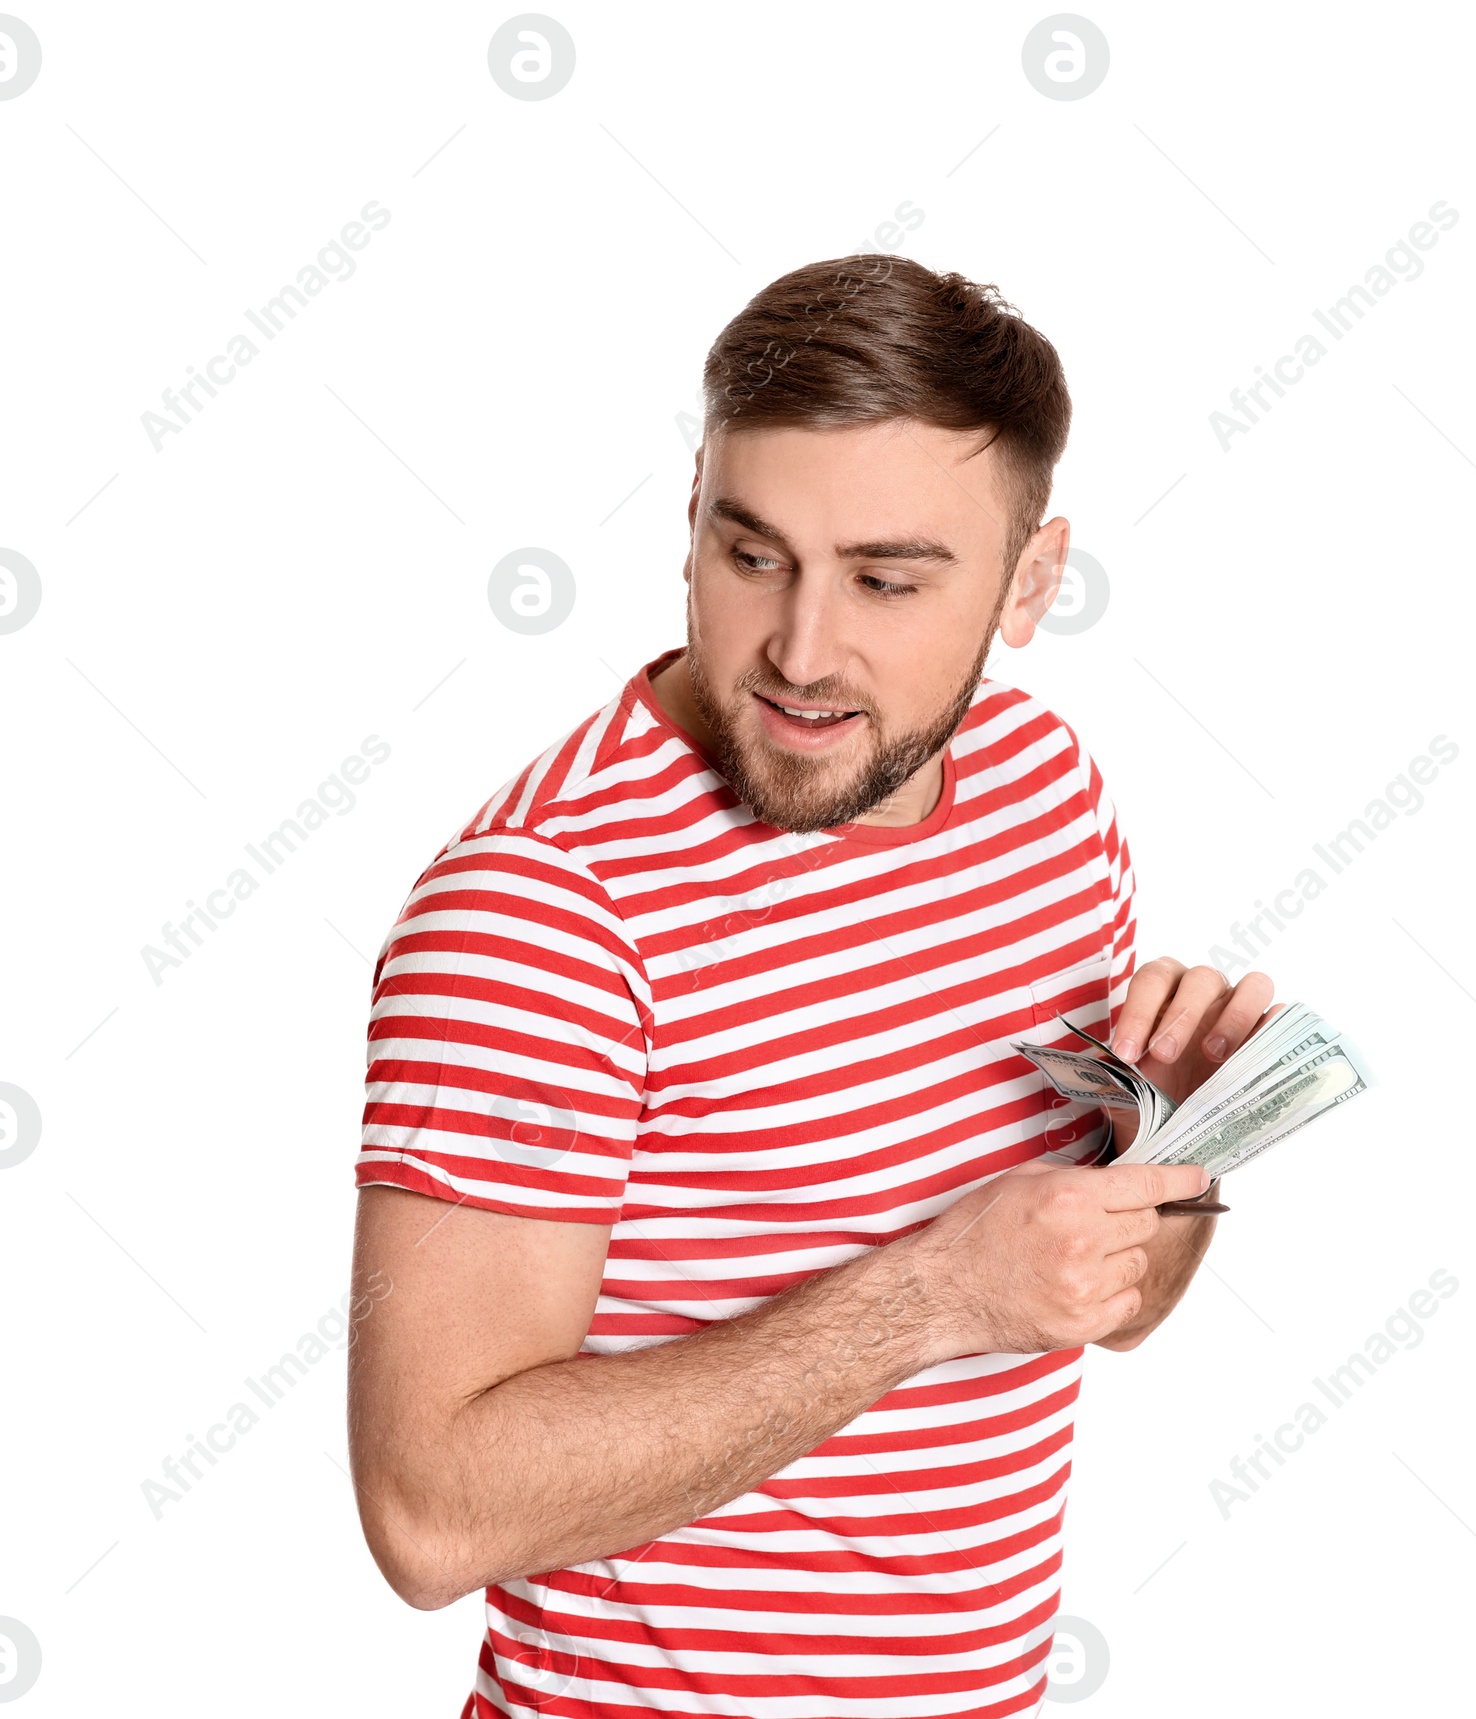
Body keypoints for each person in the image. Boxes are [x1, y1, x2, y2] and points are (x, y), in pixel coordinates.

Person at [346, 254, 1274, 1717]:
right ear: (692, 522)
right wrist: (931, 1296)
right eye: (752, 553)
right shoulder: (543, 908)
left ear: (1031, 581)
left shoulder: (1049, 797)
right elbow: (432, 1513)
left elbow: (1106, 1303)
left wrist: (1179, 1149)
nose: (798, 650)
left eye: (888, 580)